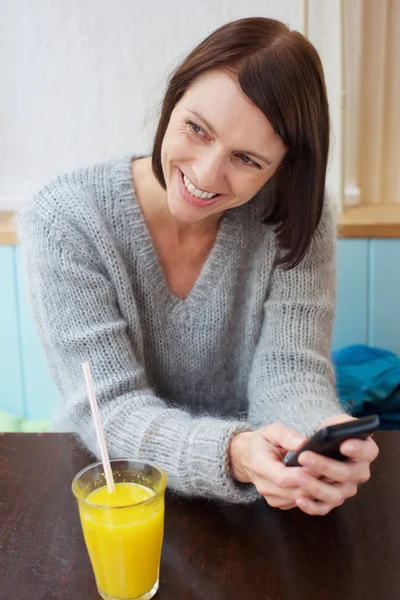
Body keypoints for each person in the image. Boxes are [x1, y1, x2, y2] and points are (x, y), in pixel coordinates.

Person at [19, 17, 378, 514]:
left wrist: (313, 436)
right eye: (196, 128)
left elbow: (290, 370)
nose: (206, 174)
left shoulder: (298, 218)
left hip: (249, 498)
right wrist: (233, 453)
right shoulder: (65, 219)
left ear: (284, 167)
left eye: (247, 159)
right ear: (174, 98)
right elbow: (111, 407)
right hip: (110, 491)